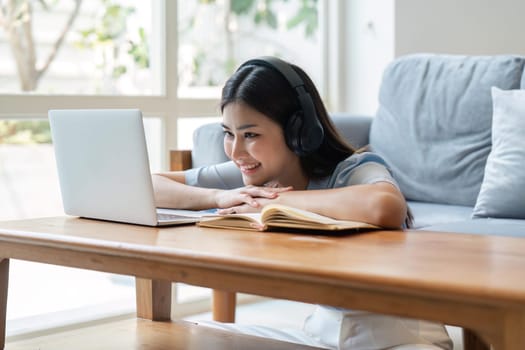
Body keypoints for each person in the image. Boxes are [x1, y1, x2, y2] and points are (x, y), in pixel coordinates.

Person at [152, 56, 452, 350]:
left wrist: (276, 202)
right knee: (197, 338)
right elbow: (149, 185)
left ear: (298, 132)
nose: (236, 151)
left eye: (251, 134)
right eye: (229, 134)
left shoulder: (354, 169)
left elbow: (385, 206)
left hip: (403, 338)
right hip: (321, 337)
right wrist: (216, 196)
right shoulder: (250, 172)